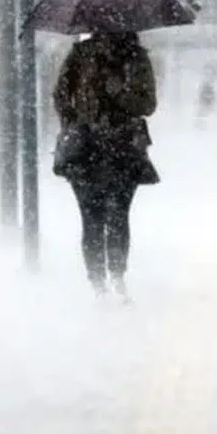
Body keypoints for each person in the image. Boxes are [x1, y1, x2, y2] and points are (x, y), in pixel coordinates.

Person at [53, 30, 159, 301]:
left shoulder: (136, 58)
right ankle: (98, 281)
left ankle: (117, 275)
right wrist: (74, 122)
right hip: (86, 148)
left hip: (123, 147)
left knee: (118, 214)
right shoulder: (81, 55)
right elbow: (60, 95)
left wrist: (120, 93)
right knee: (92, 217)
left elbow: (148, 104)